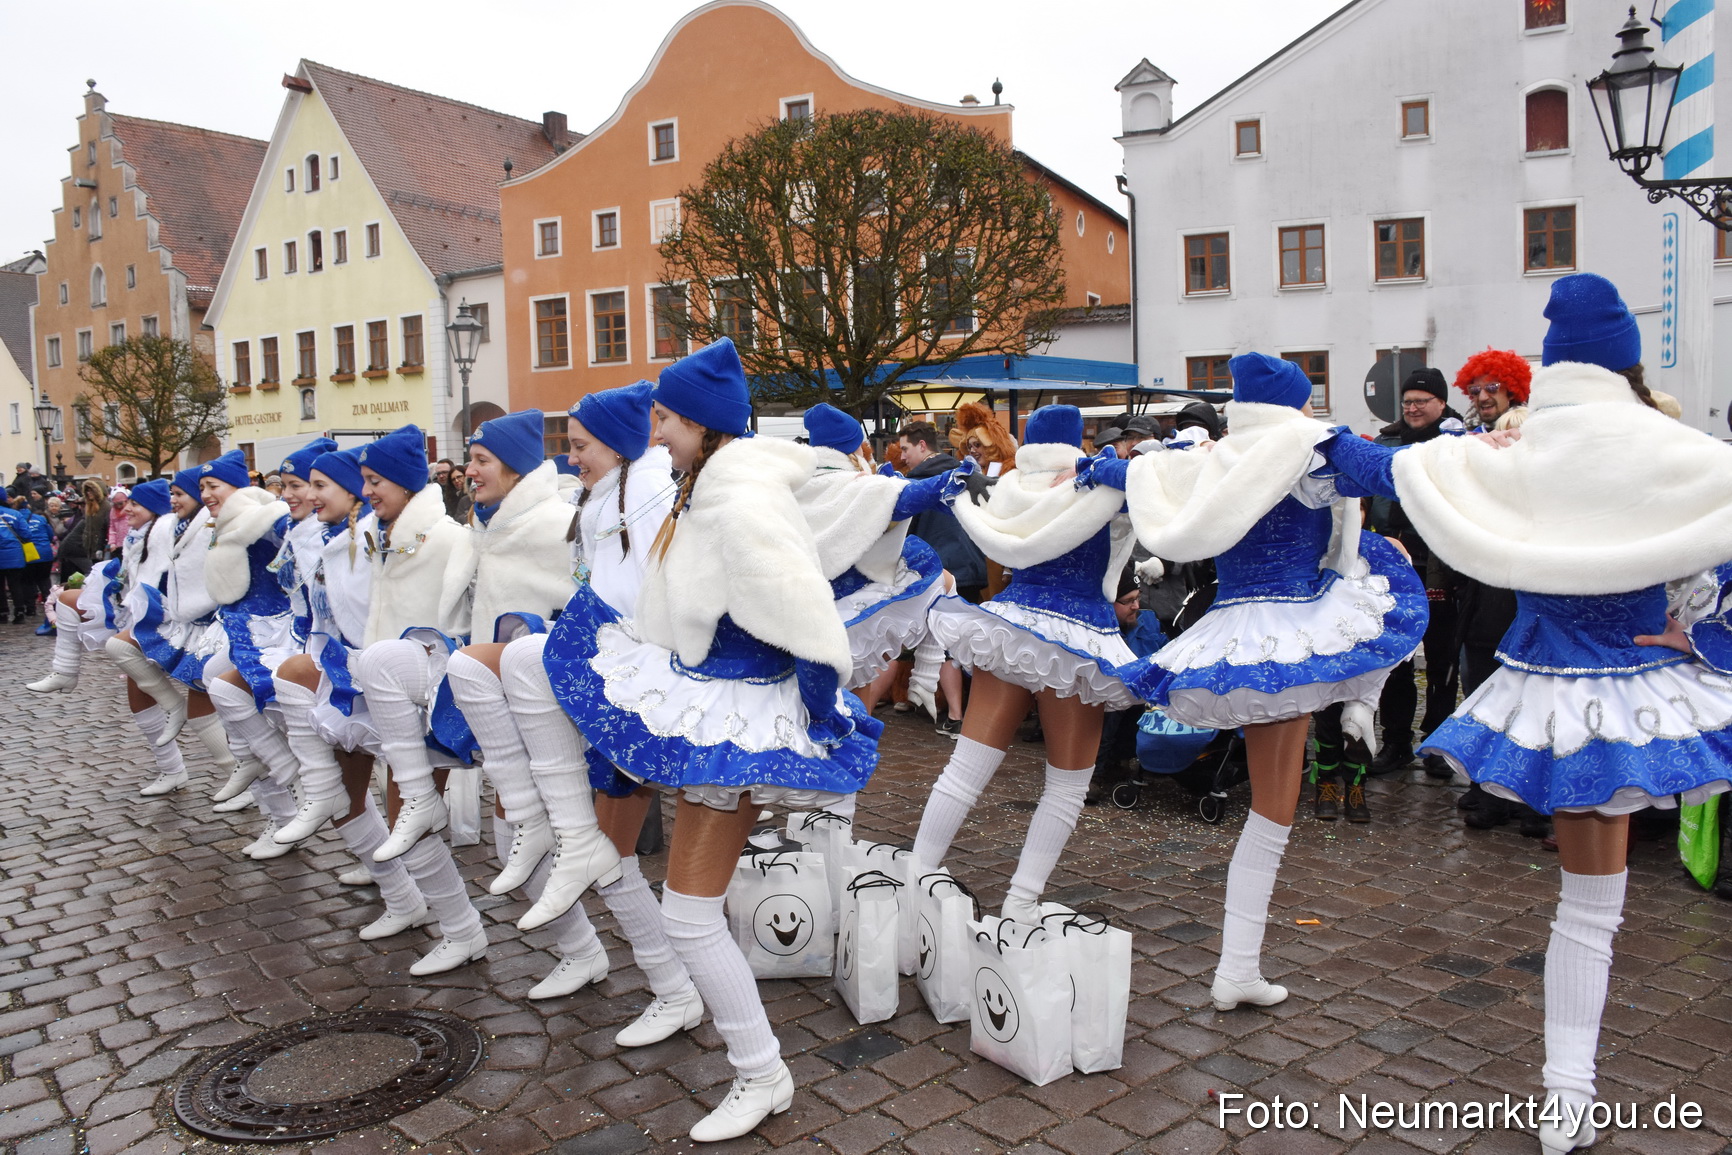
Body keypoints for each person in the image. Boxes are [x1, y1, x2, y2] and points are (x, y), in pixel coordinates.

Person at [1320, 273, 1732, 1155]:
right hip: (1637, 687)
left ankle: (1565, 1095)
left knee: (1582, 907)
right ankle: (1567, 1097)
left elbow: (1388, 464)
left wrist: (1299, 437)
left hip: (1548, 687)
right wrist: (1704, 641)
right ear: (1626, 360)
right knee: (1599, 907)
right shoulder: (1675, 447)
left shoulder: (1510, 447)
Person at [540, 338, 877, 1142]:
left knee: (690, 914)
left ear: (701, 422)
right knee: (691, 908)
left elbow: (803, 610)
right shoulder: (710, 486)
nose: (652, 432)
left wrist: (826, 709)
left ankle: (763, 1073)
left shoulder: (741, 499)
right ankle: (755, 1064)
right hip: (713, 701)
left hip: (738, 716)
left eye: (663, 418)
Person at [1079, 353, 1428, 1012]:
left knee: (1276, 808)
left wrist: (1094, 466)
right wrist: (1464, 457)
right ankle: (1236, 966)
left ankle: (1239, 966)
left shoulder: (1212, 457)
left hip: (1238, 627)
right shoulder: (1311, 447)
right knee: (1274, 809)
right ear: (1295, 405)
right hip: (1291, 630)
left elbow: (1128, 472)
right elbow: (1393, 472)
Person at [911, 404, 1150, 926]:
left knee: (963, 772)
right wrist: (1105, 465)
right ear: (1076, 442)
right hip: (1078, 640)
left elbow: (976, 514)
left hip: (1013, 626)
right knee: (1065, 786)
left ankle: (915, 883)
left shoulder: (1008, 488)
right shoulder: (1096, 482)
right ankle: (1021, 903)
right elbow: (1158, 484)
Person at [266, 445, 436, 938]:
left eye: (320, 486)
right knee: (345, 799)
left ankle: (451, 922)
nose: (308, 496)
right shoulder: (330, 541)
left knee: (409, 811)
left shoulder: (371, 543)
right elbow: (322, 619)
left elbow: (384, 618)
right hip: (346, 683)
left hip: (386, 686)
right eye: (306, 486)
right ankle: (402, 899)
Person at [348, 425, 489, 976]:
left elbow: (463, 616)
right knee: (402, 807)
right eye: (363, 480)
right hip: (387, 691)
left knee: (411, 809)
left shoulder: (449, 538)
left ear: (407, 483)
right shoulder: (379, 534)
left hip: (431, 695)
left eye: (375, 480)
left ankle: (460, 929)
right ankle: (436, 916)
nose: (367, 491)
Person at [1364, 367, 1464, 778]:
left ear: (1440, 403)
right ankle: (1396, 742)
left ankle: (1437, 744)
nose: (1413, 407)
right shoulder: (1386, 442)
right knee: (1396, 660)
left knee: (1441, 661)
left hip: (1443, 566)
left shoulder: (1458, 443)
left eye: (1421, 401)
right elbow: (1365, 501)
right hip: (1393, 566)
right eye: (1408, 401)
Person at [896, 420, 986, 734]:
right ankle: (958, 710)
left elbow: (903, 535)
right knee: (961, 644)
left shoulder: (914, 484)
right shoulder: (964, 475)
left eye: (906, 448)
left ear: (923, 446)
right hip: (971, 567)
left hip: (940, 571)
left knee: (940, 646)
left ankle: (957, 715)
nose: (902, 456)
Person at [1086, 566, 1168, 804]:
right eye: (1128, 601)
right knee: (1111, 704)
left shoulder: (1148, 621)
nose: (1136, 606)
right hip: (1108, 701)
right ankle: (1093, 773)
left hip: (1144, 697)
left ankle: (1123, 761)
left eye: (1138, 598)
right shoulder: (1095, 631)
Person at [1453, 347, 1531, 432]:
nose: (1482, 397)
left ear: (1510, 392)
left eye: (1492, 387)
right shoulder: (1464, 433)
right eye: (1475, 389)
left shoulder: (1529, 430)